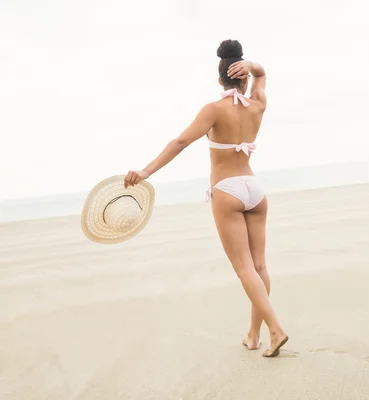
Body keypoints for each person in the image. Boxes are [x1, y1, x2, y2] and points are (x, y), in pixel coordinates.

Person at [123, 39, 288, 358]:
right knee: (259, 266)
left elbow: (181, 141)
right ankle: (254, 336)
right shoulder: (258, 104)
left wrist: (145, 172)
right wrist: (253, 67)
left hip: (227, 190)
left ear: (219, 79)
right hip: (255, 189)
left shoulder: (213, 110)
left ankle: (276, 330)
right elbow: (263, 74)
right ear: (243, 77)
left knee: (243, 269)